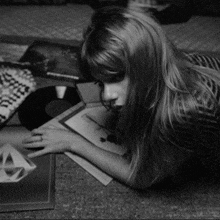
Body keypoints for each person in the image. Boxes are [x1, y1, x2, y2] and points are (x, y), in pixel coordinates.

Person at [23, 6, 220, 189]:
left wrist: (74, 143)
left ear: (145, 65)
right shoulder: (171, 61)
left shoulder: (183, 111)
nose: (107, 95)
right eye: (101, 83)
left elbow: (142, 177)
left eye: (117, 77)